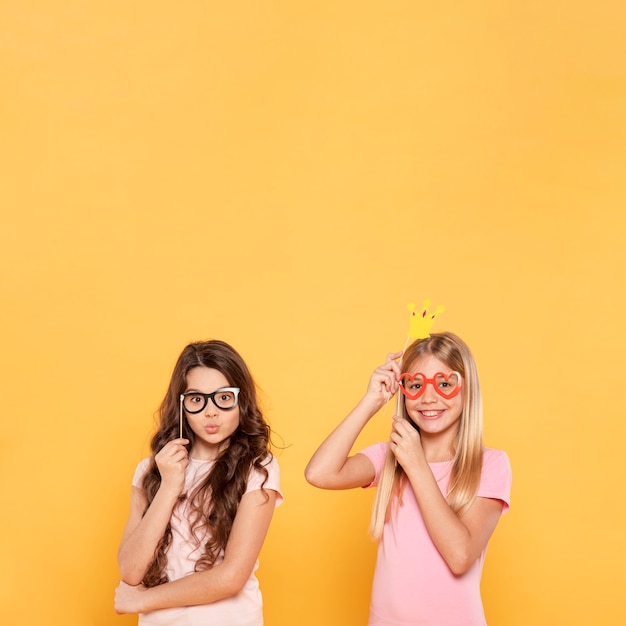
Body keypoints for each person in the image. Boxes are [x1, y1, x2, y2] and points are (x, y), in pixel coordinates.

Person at [305, 332, 511, 625]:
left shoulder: (489, 464)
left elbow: (460, 556)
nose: (429, 397)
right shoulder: (389, 457)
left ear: (466, 389)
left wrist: (417, 465)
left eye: (444, 384)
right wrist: (372, 400)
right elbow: (319, 473)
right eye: (415, 385)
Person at [115, 340, 282, 626]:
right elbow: (131, 571)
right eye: (196, 400)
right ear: (182, 406)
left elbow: (231, 577)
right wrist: (169, 485)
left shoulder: (257, 467)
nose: (211, 411)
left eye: (223, 398)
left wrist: (142, 600)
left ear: (241, 400)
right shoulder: (150, 470)